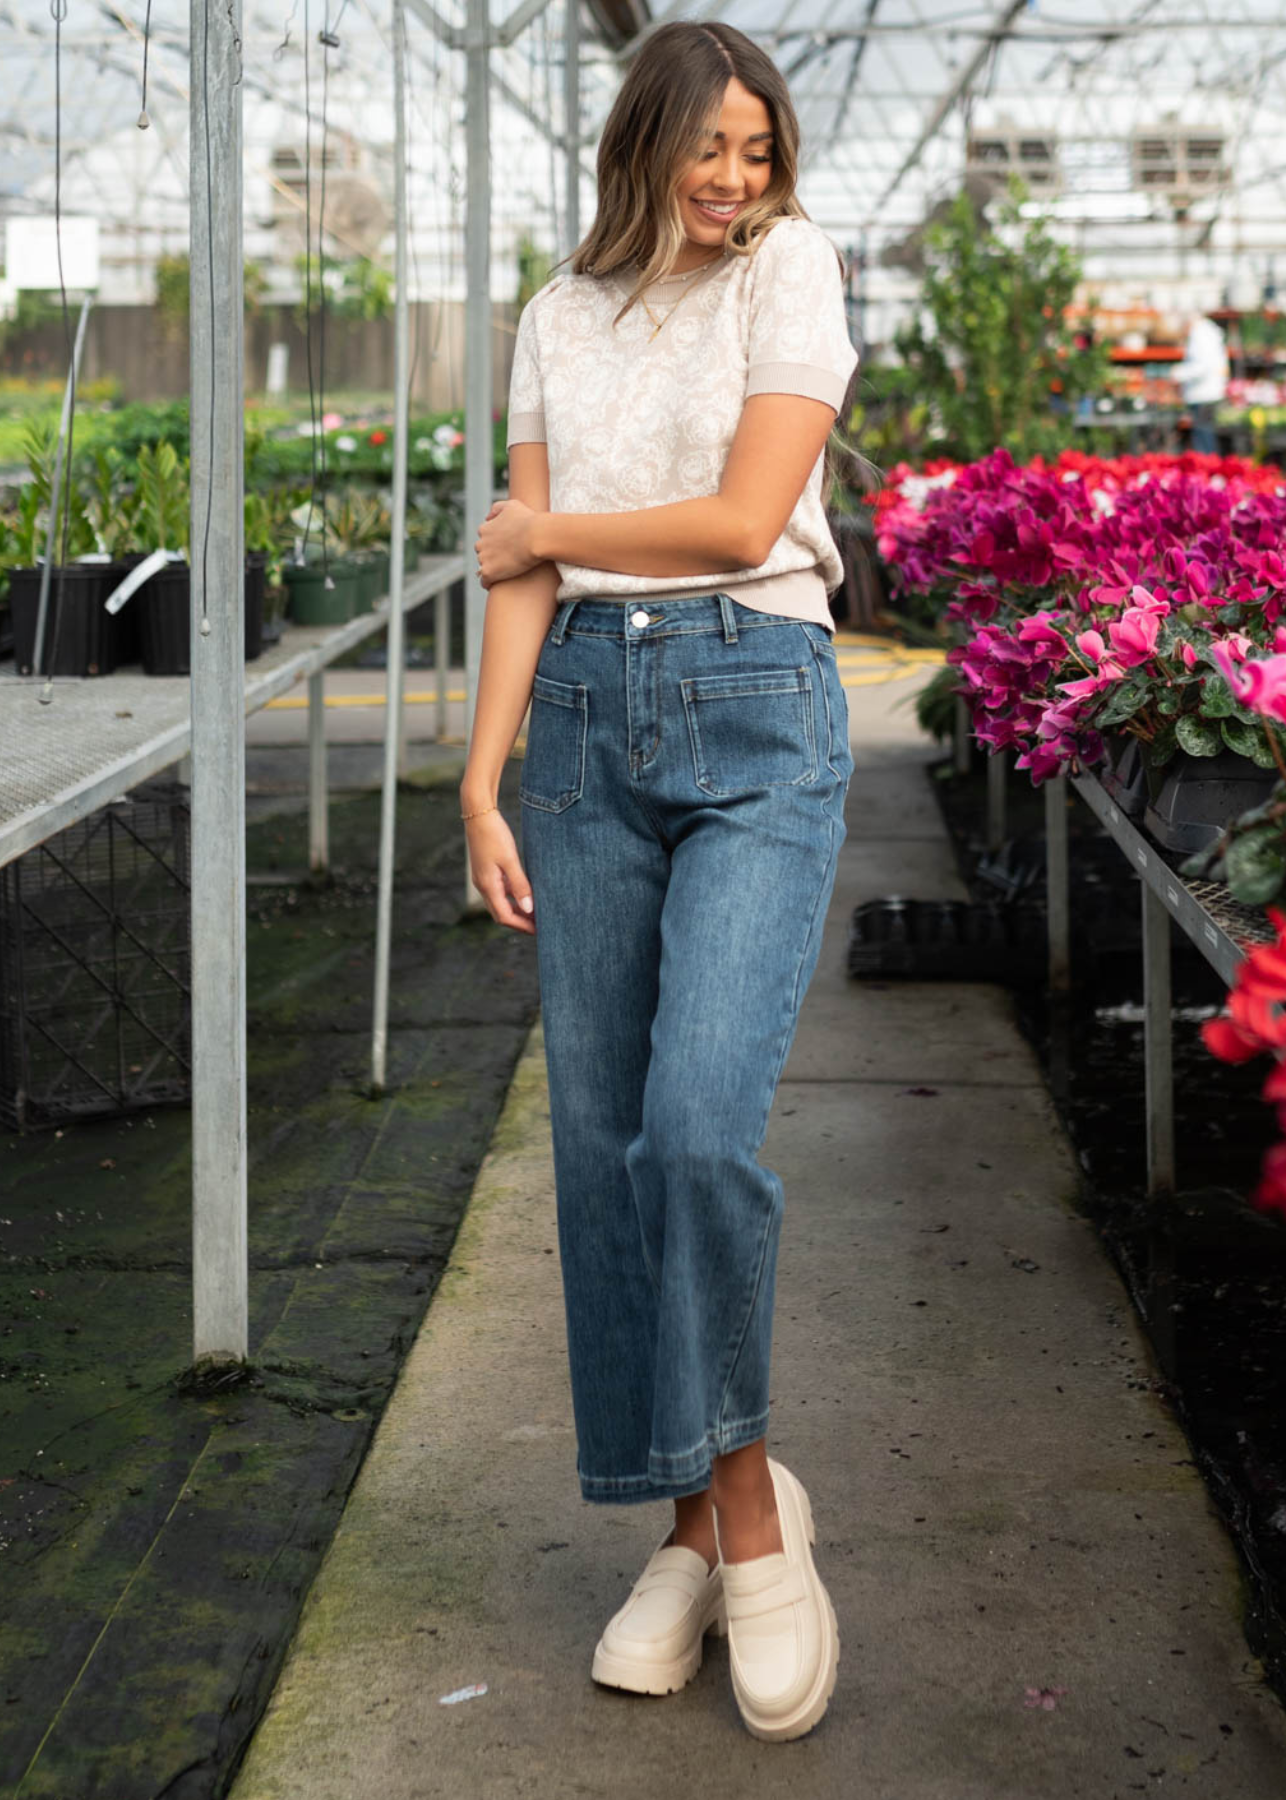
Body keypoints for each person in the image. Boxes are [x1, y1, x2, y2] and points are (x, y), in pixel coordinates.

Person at [460, 18, 857, 1744]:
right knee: (608, 1149)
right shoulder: (556, 315)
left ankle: (756, 1513)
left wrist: (540, 531)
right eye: (711, 151)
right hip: (582, 737)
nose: (736, 182)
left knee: (699, 1122)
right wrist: (480, 780)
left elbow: (738, 511)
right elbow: (518, 582)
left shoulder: (795, 272)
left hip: (760, 705)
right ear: (645, 144)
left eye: (758, 153)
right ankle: (684, 1532)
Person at [1173, 308, 1228, 454]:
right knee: (1205, 433)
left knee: (1203, 437)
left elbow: (1201, 366)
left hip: (1203, 393)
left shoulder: (1200, 335)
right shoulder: (1208, 332)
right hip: (1208, 391)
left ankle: (1206, 467)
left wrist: (1178, 374)